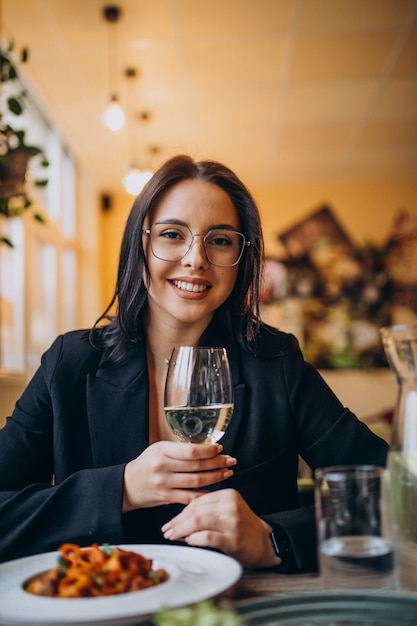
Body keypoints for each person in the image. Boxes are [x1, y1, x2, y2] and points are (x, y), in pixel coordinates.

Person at [0, 155, 388, 571]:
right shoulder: (71, 362)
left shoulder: (276, 362)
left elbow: (391, 493)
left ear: (241, 258)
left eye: (220, 240)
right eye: (172, 234)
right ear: (141, 245)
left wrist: (273, 539)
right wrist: (121, 488)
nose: (195, 259)